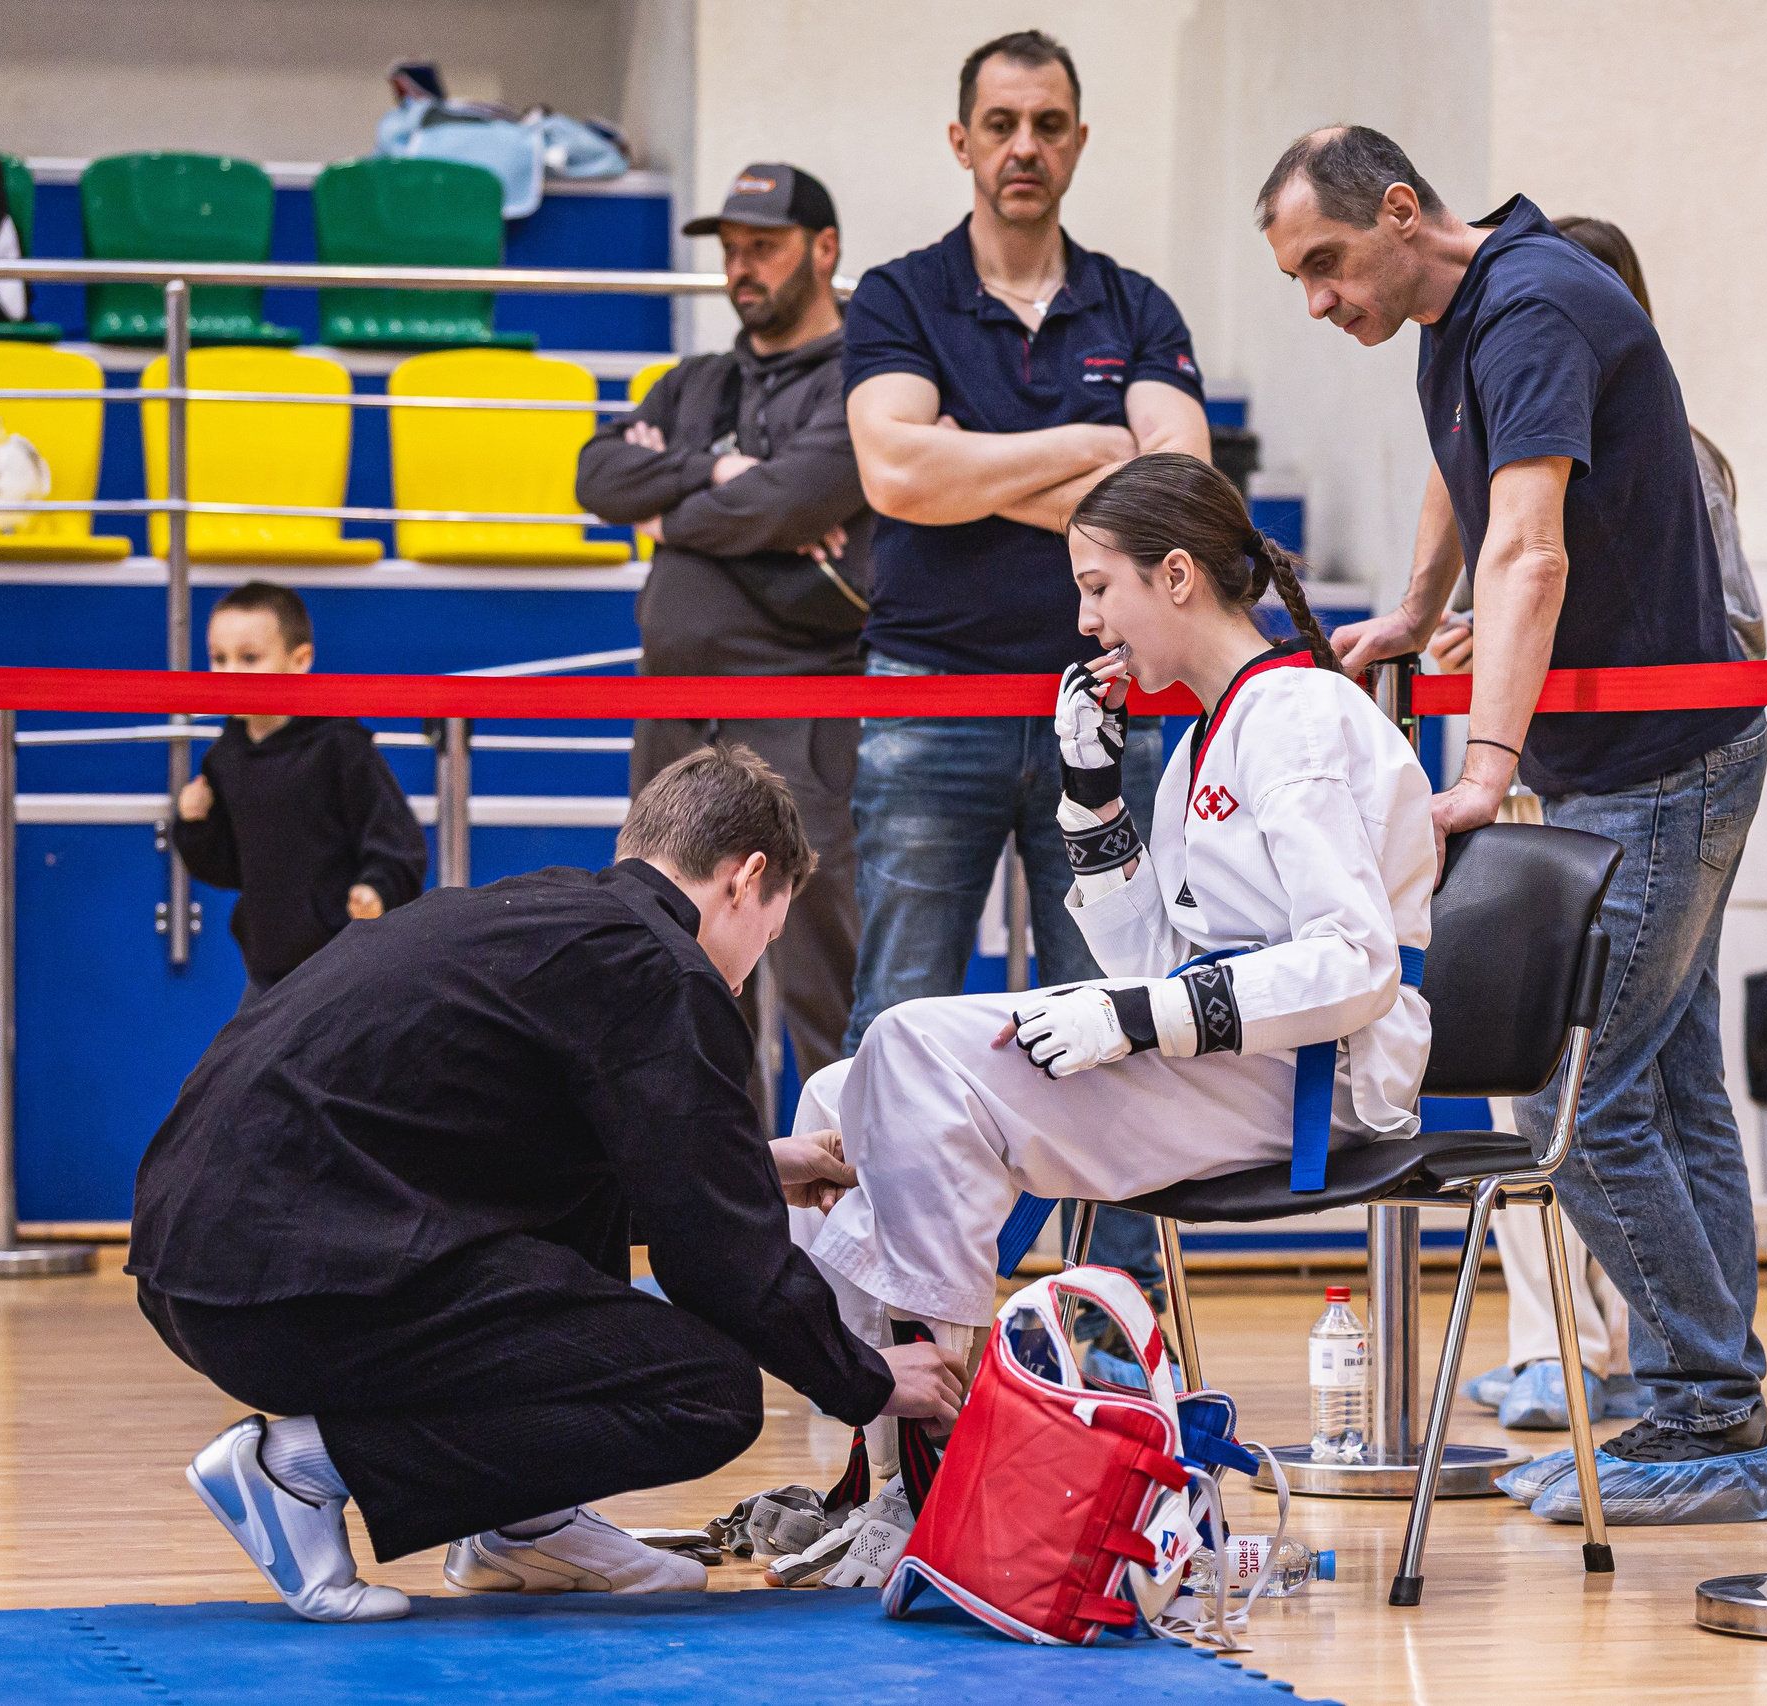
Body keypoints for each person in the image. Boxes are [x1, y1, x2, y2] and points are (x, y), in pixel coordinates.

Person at [1255, 127, 1767, 1515]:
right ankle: (1710, 1415)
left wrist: (1485, 764)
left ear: (1399, 211)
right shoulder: (1466, 312)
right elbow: (1467, 477)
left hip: (1662, 766)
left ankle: (1708, 1418)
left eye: (1326, 263)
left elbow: (1531, 546)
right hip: (1645, 764)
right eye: (1298, 278)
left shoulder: (1535, 303)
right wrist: (1410, 604)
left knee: (1576, 1094)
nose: (1318, 300)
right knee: (1667, 1088)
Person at [129, 745, 966, 1623]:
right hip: (281, 1288)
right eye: (770, 930)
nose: (755, 962)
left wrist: (756, 1166)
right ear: (746, 878)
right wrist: (866, 1378)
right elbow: (719, 1260)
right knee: (705, 1393)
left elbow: (558, 1163)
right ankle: (298, 1472)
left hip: (210, 1263)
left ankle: (523, 1527)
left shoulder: (545, 917)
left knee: (582, 1209)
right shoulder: (663, 970)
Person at [787, 453, 1433, 1481]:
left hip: (1317, 1078)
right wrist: (1091, 802)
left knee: (908, 1047)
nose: (1087, 624)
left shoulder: (1299, 717)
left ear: (1175, 575)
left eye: (1098, 588)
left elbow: (1354, 963)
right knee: (844, 1088)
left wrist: (1137, 1019)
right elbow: (1158, 964)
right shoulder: (1211, 733)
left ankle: (932, 1466)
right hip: (1240, 1061)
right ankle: (886, 1468)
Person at [841, 29, 1211, 1296]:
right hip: (927, 701)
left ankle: (1107, 1315)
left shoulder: (1135, 304)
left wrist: (972, 462)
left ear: (1078, 141)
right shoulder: (898, 296)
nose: (1023, 147)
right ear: (961, 140)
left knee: (1118, 1013)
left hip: (1105, 704)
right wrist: (1091, 447)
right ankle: (881, 1303)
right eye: (1000, 124)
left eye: (1047, 124)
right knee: (896, 1007)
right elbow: (894, 471)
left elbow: (1176, 488)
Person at [1448, 213, 1766, 1432]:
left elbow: (1718, 630)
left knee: (1584, 1094)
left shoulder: (1676, 454)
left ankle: (1698, 1383)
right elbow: (1512, 579)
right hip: (1565, 778)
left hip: (1651, 773)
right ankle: (1584, 1353)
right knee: (1633, 1086)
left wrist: (1509, 700)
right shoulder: (1502, 422)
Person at [577, 162, 871, 1095]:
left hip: (801, 712)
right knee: (679, 971)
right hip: (674, 720)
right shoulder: (693, 382)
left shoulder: (865, 377)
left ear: (823, 250)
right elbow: (596, 477)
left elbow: (793, 501)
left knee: (823, 977)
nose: (742, 267)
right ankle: (718, 1181)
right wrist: (716, 472)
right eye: (733, 249)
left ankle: (851, 1182)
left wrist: (667, 508)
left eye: (765, 246)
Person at [1431, 216, 1764, 679]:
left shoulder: (1687, 459)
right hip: (1552, 725)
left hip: (1667, 723)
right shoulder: (1506, 451)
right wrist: (1465, 647)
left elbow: (1742, 642)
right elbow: (1482, 612)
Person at [169, 581, 424, 1006]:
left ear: (300, 660)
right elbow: (230, 867)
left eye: (249, 658)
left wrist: (377, 890)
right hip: (266, 971)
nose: (230, 672)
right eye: (218, 658)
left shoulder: (341, 746)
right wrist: (194, 826)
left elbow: (399, 841)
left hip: (345, 965)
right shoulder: (224, 757)